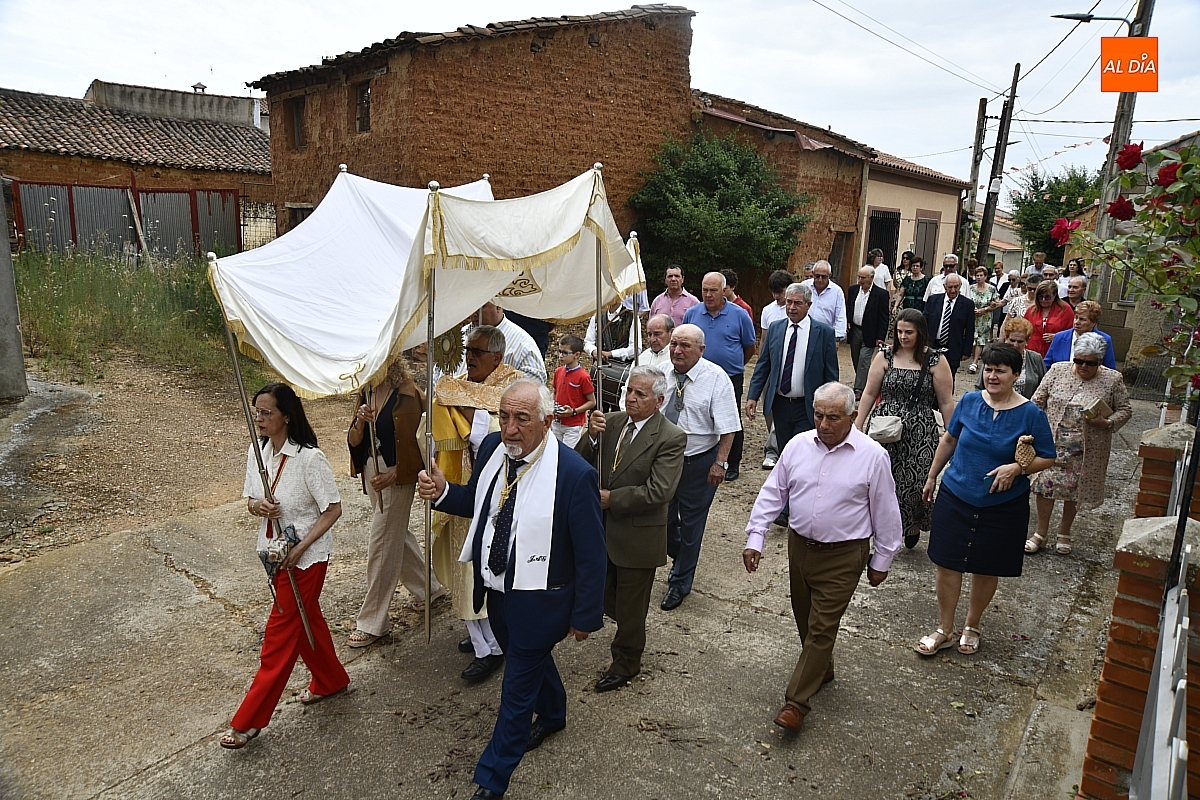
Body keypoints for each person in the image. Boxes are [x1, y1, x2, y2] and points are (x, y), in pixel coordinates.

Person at [418, 379, 606, 800]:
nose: (510, 428)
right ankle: (555, 712)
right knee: (531, 659)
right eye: (503, 416)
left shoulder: (574, 475)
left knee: (516, 692)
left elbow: (593, 555)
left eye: (522, 418)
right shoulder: (491, 452)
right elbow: (479, 503)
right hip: (495, 592)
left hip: (541, 603)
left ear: (548, 421)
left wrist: (584, 617)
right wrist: (444, 491)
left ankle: (491, 779)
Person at [742, 382, 901, 731]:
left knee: (821, 626)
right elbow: (774, 492)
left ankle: (796, 703)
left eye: (833, 417)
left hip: (845, 555)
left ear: (853, 416)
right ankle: (822, 666)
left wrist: (882, 560)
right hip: (799, 548)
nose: (824, 424)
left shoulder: (872, 455)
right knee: (806, 619)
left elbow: (887, 511)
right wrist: (756, 536)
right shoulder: (798, 445)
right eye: (818, 415)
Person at [221, 383, 348, 749]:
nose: (259, 419)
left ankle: (248, 720)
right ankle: (331, 680)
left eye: (267, 413)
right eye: (256, 412)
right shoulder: (257, 452)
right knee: (307, 621)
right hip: (276, 556)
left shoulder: (310, 459)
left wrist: (303, 546)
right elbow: (251, 501)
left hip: (306, 560)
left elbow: (333, 509)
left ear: (286, 417)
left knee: (279, 636)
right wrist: (258, 507)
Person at [916, 344, 1056, 657]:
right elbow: (949, 439)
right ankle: (944, 628)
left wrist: (1017, 468)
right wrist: (931, 476)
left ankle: (972, 625)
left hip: (1002, 505)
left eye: (1000, 371)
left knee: (985, 566)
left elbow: (1048, 457)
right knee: (947, 564)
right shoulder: (968, 402)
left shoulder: (1031, 414)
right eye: (988, 369)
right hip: (957, 493)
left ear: (1016, 375)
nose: (992, 376)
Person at [576, 366, 686, 691]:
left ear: (659, 400)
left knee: (631, 608)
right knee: (605, 596)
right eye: (629, 391)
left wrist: (613, 499)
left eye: (640, 394)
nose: (631, 399)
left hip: (638, 536)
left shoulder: (670, 437)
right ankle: (619, 630)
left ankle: (626, 662)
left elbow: (659, 491)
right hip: (602, 532)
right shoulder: (609, 423)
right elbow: (580, 463)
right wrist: (591, 436)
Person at [431, 325, 524, 683]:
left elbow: (483, 433)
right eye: (467, 350)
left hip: (498, 489)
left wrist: (461, 407)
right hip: (463, 486)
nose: (468, 358)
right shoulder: (459, 384)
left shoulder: (510, 388)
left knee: (483, 569)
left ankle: (492, 647)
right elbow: (442, 399)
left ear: (497, 358)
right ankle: (480, 635)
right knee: (463, 567)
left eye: (476, 353)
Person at [345, 357, 443, 649]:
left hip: (397, 478)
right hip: (372, 472)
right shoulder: (365, 392)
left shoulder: (408, 395)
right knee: (395, 537)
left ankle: (373, 621)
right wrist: (361, 421)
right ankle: (430, 588)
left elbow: (421, 444)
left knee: (381, 544)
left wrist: (394, 475)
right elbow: (353, 440)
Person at [855, 309, 956, 549]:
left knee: (914, 481)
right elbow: (869, 392)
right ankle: (883, 530)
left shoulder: (935, 360)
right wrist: (858, 422)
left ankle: (911, 522)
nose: (903, 337)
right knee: (882, 480)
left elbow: (945, 401)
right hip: (884, 427)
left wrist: (953, 434)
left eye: (909, 332)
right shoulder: (885, 356)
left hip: (920, 430)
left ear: (920, 332)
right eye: (899, 331)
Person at [657, 323, 740, 611]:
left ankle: (680, 582)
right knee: (663, 521)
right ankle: (683, 555)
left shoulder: (716, 379)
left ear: (701, 350)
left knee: (692, 525)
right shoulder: (660, 373)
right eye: (674, 344)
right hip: (664, 462)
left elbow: (729, 427)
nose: (677, 351)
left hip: (699, 462)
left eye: (685, 346)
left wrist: (720, 463)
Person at [1026, 333, 1132, 555]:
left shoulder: (1112, 379)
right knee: (1045, 487)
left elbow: (1125, 410)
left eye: (1090, 363)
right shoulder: (1057, 370)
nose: (1083, 366)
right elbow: (1037, 401)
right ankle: (1040, 533)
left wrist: (1107, 422)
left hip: (1086, 448)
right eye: (1079, 360)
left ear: (1100, 362)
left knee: (1074, 490)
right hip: (1052, 442)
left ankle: (1064, 532)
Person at [746, 283, 840, 526]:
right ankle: (787, 501)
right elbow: (763, 365)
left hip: (807, 406)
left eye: (798, 303)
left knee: (803, 455)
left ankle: (789, 508)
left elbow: (831, 373)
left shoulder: (823, 333)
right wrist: (753, 396)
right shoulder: (777, 329)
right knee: (786, 454)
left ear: (809, 305)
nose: (792, 307)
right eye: (789, 302)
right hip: (780, 404)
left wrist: (830, 407)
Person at [682, 272, 756, 481]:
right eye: (705, 290)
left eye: (713, 290)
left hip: (730, 377)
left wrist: (735, 364)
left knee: (731, 420)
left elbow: (749, 346)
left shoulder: (740, 314)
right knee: (699, 416)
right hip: (697, 377)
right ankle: (704, 457)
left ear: (724, 290)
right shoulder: (692, 314)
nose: (708, 294)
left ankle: (732, 462)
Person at [759, 270, 795, 469]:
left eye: (780, 291)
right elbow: (764, 339)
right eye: (774, 292)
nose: (777, 297)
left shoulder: (797, 309)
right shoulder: (768, 310)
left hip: (789, 364)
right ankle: (779, 440)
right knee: (769, 408)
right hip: (772, 364)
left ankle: (773, 449)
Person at [974, 316, 1046, 400]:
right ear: (1006, 338)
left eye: (1020, 341)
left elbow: (1043, 387)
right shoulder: (993, 355)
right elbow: (980, 387)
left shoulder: (1035, 358)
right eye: (1012, 340)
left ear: (1027, 341)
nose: (1015, 345)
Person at [846, 265, 890, 394]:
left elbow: (884, 317)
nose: (860, 280)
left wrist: (881, 337)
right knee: (856, 359)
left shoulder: (881, 294)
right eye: (859, 277)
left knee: (864, 360)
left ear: (872, 277)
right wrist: (847, 321)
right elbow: (849, 308)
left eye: (863, 278)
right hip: (855, 330)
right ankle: (865, 381)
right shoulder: (853, 290)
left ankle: (859, 389)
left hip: (870, 332)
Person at [480, 302, 548, 383]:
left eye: (481, 307)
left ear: (498, 306)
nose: (474, 313)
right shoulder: (463, 333)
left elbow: (535, 383)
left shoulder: (524, 345)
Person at [617, 313, 673, 409]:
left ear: (671, 333)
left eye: (657, 334)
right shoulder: (641, 358)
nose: (652, 339)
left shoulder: (676, 360)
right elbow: (627, 389)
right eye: (649, 334)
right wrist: (625, 413)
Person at [551, 334, 596, 448]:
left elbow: (592, 402)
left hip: (573, 425)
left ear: (577, 355)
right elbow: (555, 392)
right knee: (555, 451)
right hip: (556, 422)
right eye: (559, 351)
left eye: (565, 353)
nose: (560, 356)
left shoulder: (583, 377)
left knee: (568, 454)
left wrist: (574, 411)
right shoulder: (558, 371)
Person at [923, 274, 974, 373]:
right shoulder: (933, 300)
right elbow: (924, 322)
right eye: (950, 287)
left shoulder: (967, 304)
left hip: (953, 347)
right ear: (944, 287)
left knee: (949, 376)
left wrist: (967, 351)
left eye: (956, 287)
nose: (953, 290)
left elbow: (970, 329)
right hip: (932, 345)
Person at [1043, 300, 1116, 370]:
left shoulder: (1104, 340)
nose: (1077, 322)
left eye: (1082, 319)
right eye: (1076, 318)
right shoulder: (1060, 337)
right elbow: (1046, 365)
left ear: (1093, 323)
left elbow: (1109, 370)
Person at [965, 265, 1002, 374]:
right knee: (972, 338)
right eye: (977, 275)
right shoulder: (971, 288)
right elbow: (966, 301)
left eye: (981, 275)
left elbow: (997, 302)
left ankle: (975, 362)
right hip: (972, 316)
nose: (979, 277)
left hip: (984, 318)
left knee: (980, 340)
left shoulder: (991, 289)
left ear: (985, 276)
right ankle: (974, 356)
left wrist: (985, 309)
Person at [1023, 280, 1074, 359]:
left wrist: (1057, 337)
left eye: (1047, 297)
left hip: (1056, 353)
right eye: (1040, 297)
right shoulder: (1031, 311)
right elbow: (1024, 331)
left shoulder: (1065, 309)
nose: (1043, 300)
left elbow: (1073, 332)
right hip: (1033, 353)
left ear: (1055, 295)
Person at [802, 260, 847, 341]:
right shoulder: (804, 286)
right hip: (804, 333)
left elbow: (840, 315)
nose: (820, 279)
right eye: (817, 276)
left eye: (824, 277)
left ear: (830, 275)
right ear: (813, 273)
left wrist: (837, 338)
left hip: (825, 336)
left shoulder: (837, 291)